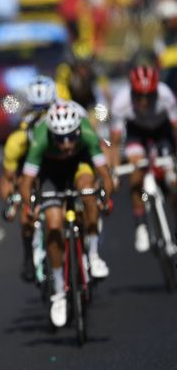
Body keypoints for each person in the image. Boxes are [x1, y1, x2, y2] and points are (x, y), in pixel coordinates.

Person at [19, 99, 114, 328]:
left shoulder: (88, 133)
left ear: (78, 131)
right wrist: (30, 206)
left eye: (71, 137)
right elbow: (26, 182)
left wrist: (105, 198)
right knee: (53, 225)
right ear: (52, 134)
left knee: (88, 192)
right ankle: (59, 292)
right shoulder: (41, 138)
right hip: (51, 172)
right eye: (60, 139)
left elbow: (105, 175)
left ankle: (93, 255)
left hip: (79, 165)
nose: (67, 144)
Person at [109, 66, 177, 252]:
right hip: (136, 134)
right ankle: (141, 224)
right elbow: (115, 142)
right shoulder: (121, 102)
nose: (144, 101)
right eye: (139, 96)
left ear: (156, 91)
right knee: (136, 170)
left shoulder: (166, 95)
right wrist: (115, 171)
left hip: (162, 132)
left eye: (149, 96)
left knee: (173, 178)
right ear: (132, 91)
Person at [0, 75, 57, 282]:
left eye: (46, 110)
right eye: (35, 111)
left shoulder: (61, 123)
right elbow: (8, 177)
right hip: (29, 168)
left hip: (54, 162)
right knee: (26, 212)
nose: (40, 117)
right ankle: (28, 256)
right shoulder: (17, 141)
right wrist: (10, 200)